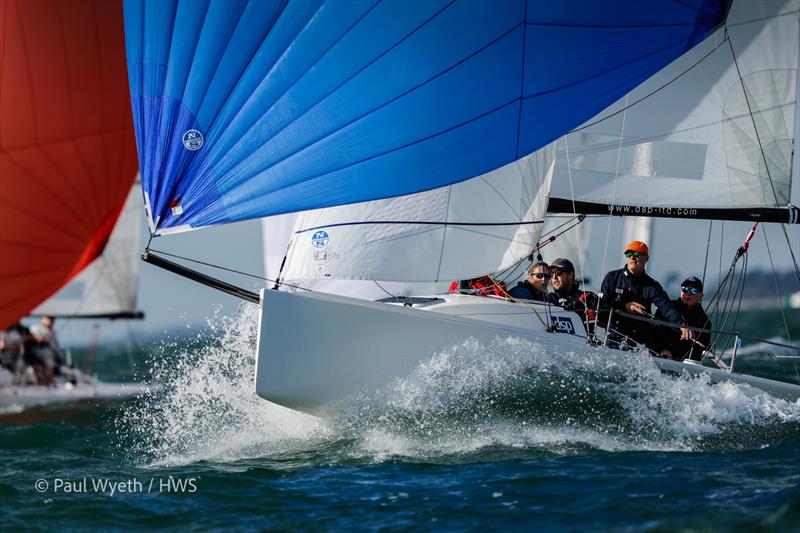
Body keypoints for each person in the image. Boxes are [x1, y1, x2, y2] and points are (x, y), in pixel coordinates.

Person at [599, 241, 693, 350]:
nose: (632, 257)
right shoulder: (612, 277)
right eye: (629, 254)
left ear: (646, 258)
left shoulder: (652, 286)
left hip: (638, 337)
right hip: (613, 332)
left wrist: (681, 324)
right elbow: (602, 306)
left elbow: (666, 306)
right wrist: (625, 307)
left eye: (637, 254)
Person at [654, 276, 711, 361]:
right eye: (685, 289)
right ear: (680, 291)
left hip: (687, 364)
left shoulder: (705, 321)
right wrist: (662, 350)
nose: (688, 293)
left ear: (701, 296)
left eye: (693, 291)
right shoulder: (667, 309)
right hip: (662, 357)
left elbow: (701, 349)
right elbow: (653, 333)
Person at [548, 258, 599, 333]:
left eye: (558, 273)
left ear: (570, 275)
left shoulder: (587, 298)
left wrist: (597, 315)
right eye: (552, 274)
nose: (554, 277)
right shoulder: (549, 298)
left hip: (581, 342)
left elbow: (605, 320)